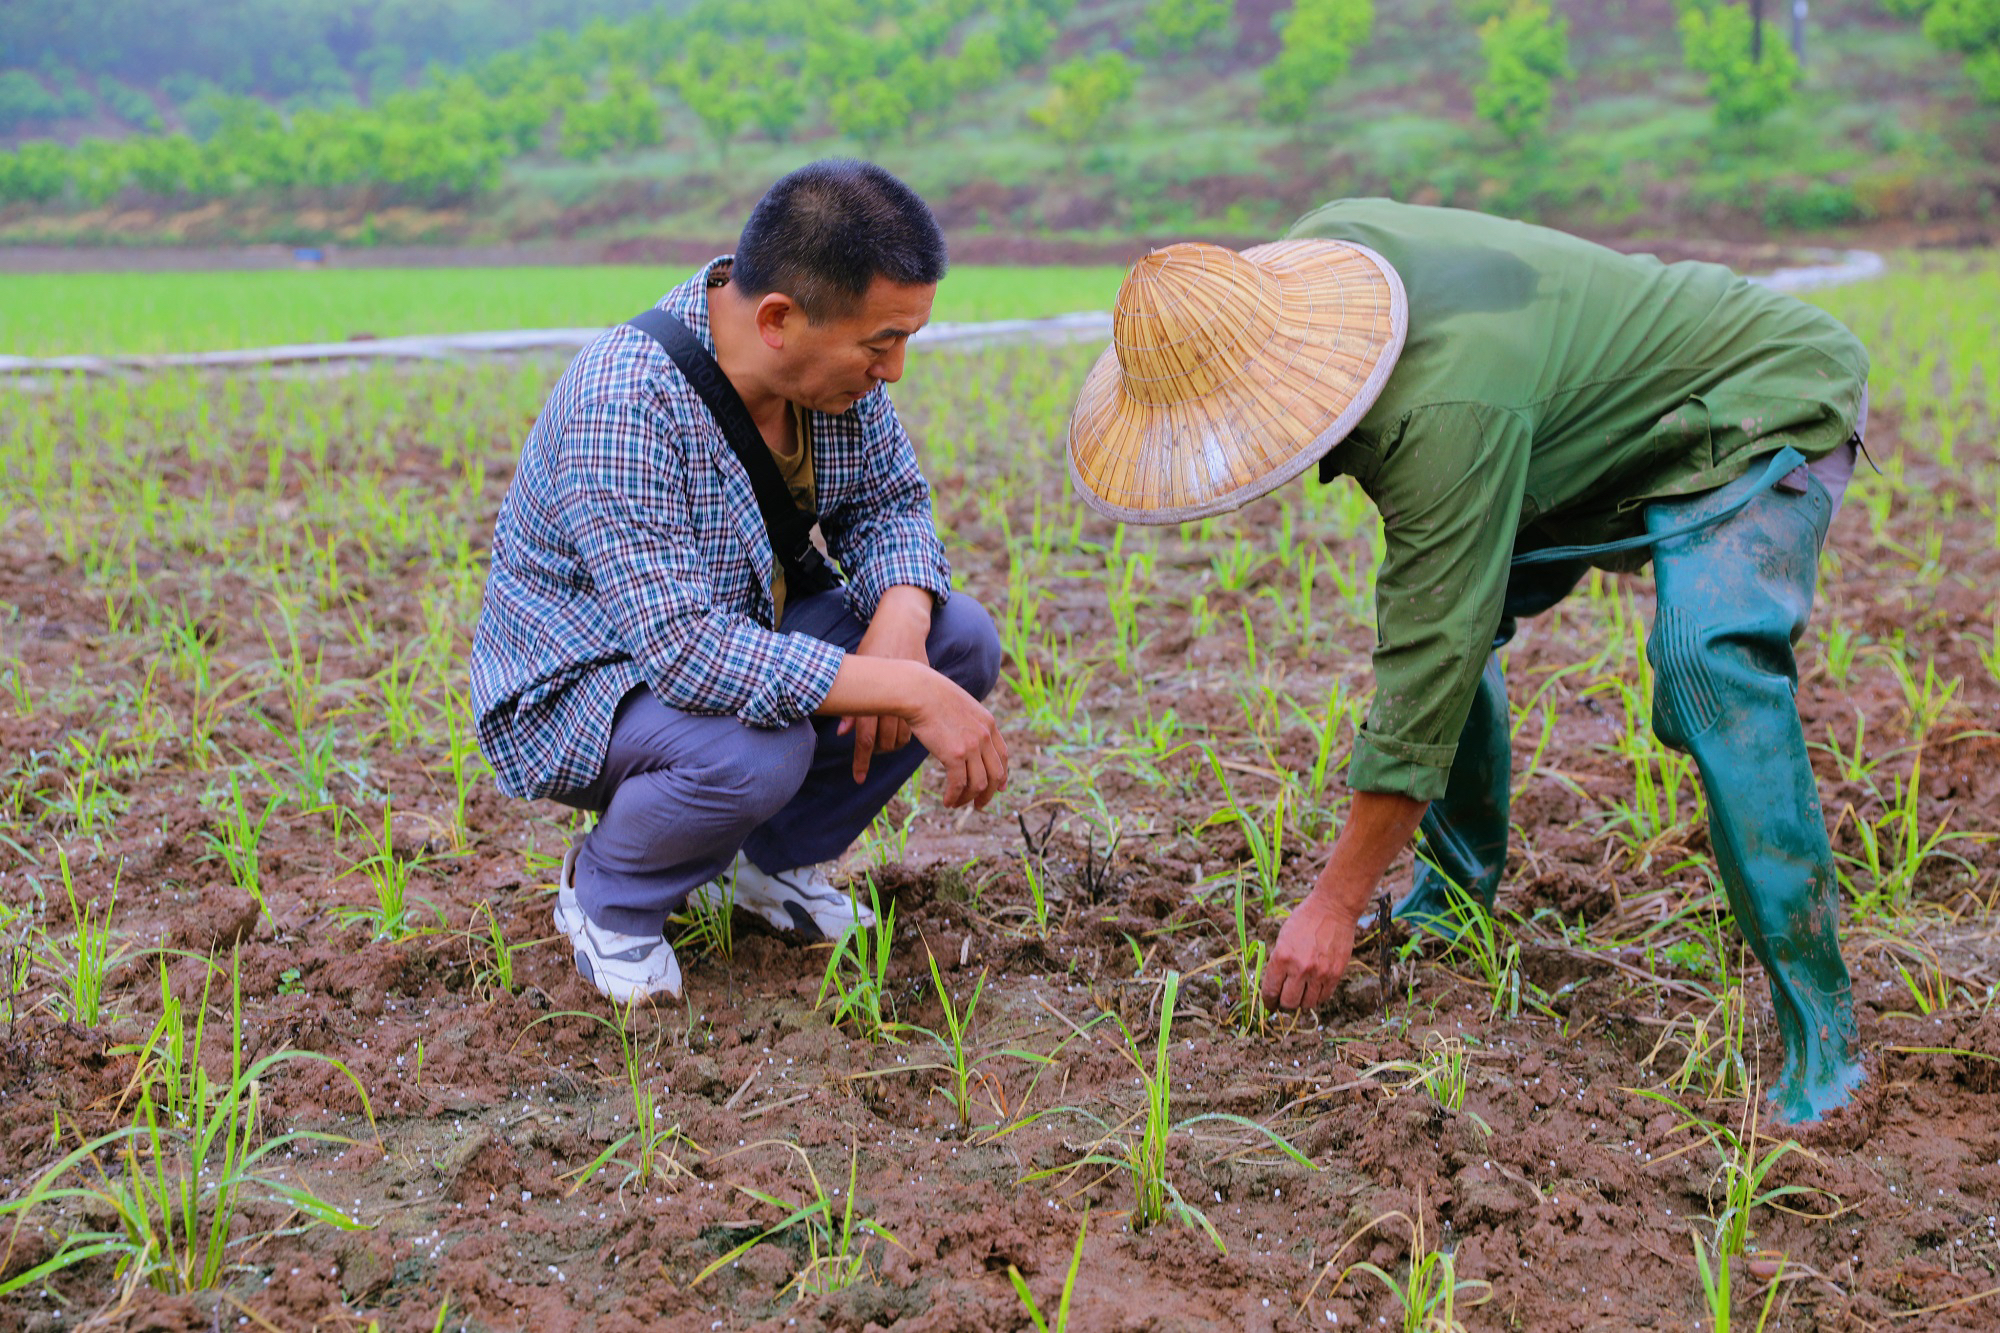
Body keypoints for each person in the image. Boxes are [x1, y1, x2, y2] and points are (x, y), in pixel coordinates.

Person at [1065, 199, 1869, 1124]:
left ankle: (1825, 1035)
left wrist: (1334, 901)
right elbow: (1439, 617)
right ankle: (1453, 895)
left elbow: (1430, 662)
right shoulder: (1323, 259)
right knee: (1451, 616)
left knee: (1707, 664)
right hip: (1564, 434)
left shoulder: (1441, 411)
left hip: (1758, 397)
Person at [471, 160, 1008, 1004]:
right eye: (881, 345)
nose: (895, 370)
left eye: (905, 340)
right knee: (759, 747)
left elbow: (891, 505)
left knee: (957, 640)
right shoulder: (625, 400)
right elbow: (687, 652)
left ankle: (764, 867)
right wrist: (903, 689)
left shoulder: (836, 378)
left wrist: (903, 626)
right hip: (590, 684)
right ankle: (608, 894)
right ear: (778, 319)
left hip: (735, 629)